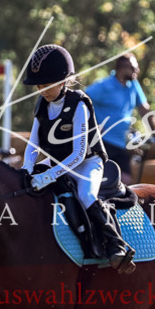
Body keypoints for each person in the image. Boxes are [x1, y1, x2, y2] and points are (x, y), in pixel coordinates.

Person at [21, 44, 135, 274]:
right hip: (57, 163)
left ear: (63, 80)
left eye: (46, 85)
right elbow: (33, 144)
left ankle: (116, 246)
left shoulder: (79, 103)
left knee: (86, 195)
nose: (41, 90)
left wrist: (48, 176)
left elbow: (79, 153)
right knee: (18, 182)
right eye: (39, 85)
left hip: (87, 163)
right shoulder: (42, 104)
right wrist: (26, 168)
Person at [85, 53, 153, 186]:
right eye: (134, 68)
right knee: (103, 178)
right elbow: (83, 99)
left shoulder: (133, 85)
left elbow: (144, 109)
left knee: (127, 180)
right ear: (122, 68)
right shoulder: (105, 86)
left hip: (121, 143)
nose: (137, 72)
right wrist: (93, 124)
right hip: (103, 141)